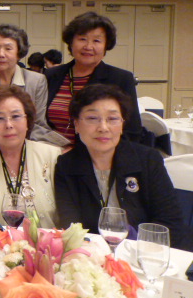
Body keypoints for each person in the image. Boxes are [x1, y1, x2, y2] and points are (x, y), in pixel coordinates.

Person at [54, 84, 192, 251]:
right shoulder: (67, 165)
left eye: (112, 119)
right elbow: (71, 227)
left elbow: (171, 224)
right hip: (92, 254)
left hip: (146, 253)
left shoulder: (147, 159)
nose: (103, 127)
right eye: (92, 118)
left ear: (122, 124)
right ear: (76, 124)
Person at [46, 12, 141, 145]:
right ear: (71, 43)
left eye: (96, 41)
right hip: (50, 152)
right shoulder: (51, 75)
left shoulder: (121, 78)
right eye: (82, 39)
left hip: (98, 153)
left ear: (106, 46)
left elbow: (132, 131)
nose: (88, 47)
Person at [0, 86, 61, 229]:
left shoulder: (53, 156)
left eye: (16, 116)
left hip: (48, 242)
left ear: (28, 121)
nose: (8, 125)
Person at [0, 24, 69, 147]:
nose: (1, 54)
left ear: (19, 53)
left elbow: (38, 124)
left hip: (26, 145)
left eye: (8, 49)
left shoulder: (36, 81)